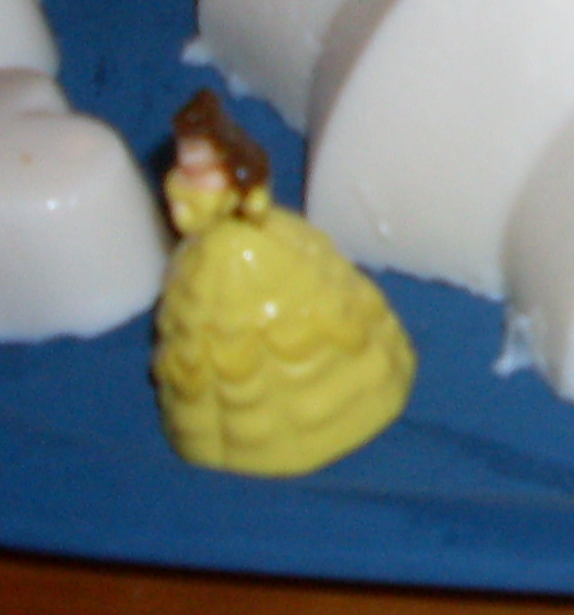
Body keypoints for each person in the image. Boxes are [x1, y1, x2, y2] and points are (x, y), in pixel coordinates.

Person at [152, 88, 415, 476]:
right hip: (214, 262)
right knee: (219, 345)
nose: (190, 158)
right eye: (186, 149)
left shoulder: (239, 171)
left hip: (265, 249)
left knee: (318, 317)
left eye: (198, 149)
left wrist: (236, 201)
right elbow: (187, 221)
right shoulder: (181, 184)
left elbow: (257, 201)